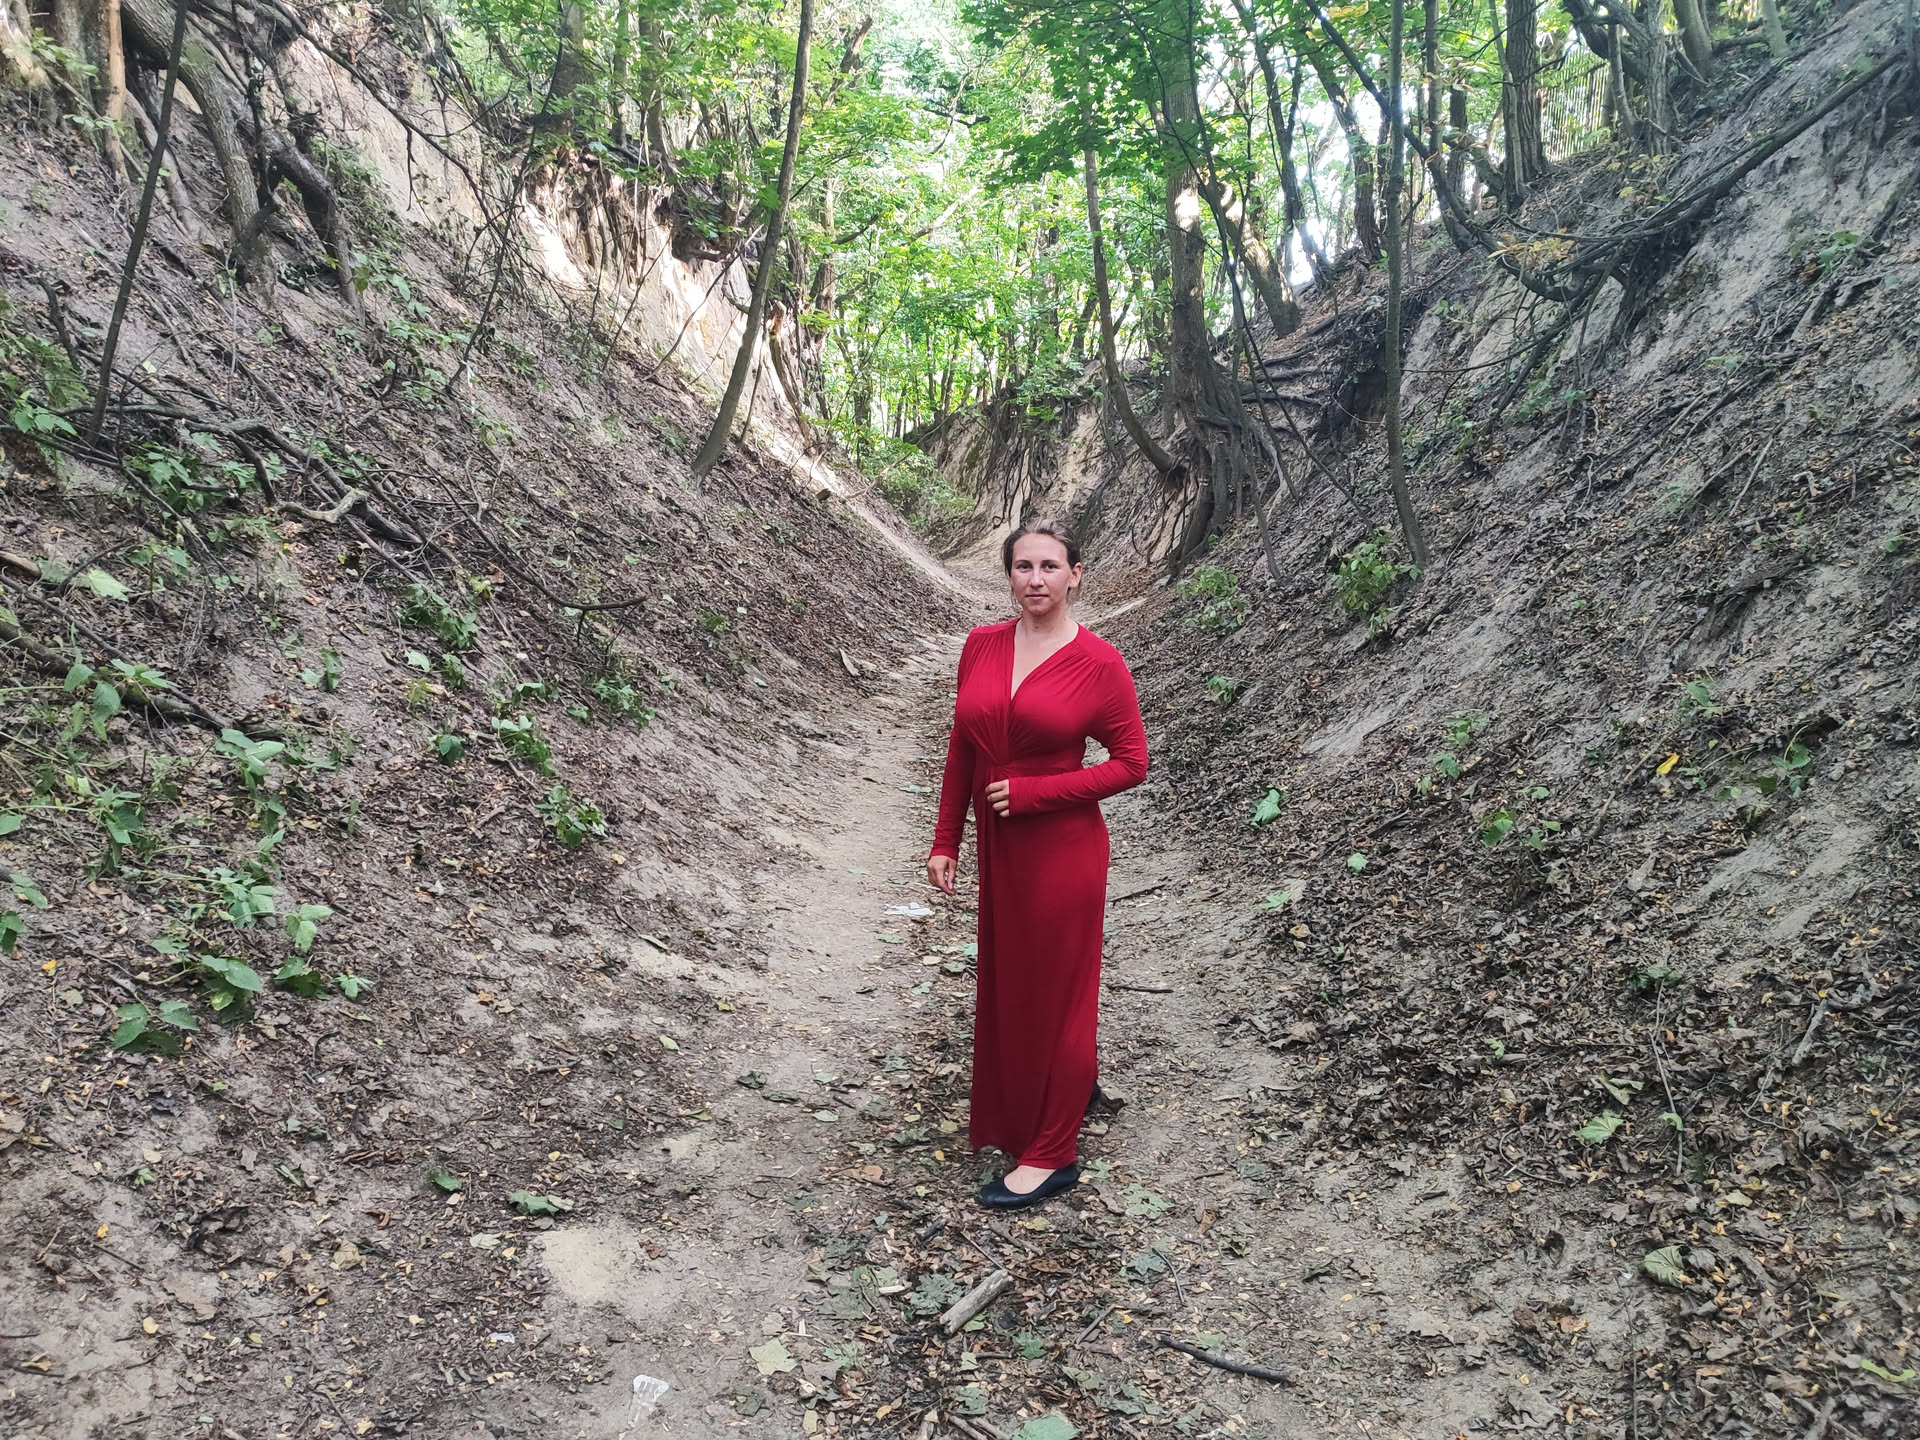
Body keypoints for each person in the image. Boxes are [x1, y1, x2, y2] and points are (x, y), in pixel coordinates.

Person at [925, 521, 1149, 1209]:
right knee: (1014, 986)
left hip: (1061, 850)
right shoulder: (982, 645)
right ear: (1009, 575)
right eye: (1023, 566)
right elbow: (964, 746)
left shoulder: (1099, 663)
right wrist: (946, 839)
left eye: (1050, 566)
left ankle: (1052, 1153)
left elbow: (1131, 763)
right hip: (1001, 850)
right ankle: (1048, 1095)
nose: (1035, 579)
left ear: (1075, 574)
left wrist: (1036, 793)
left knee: (1059, 994)